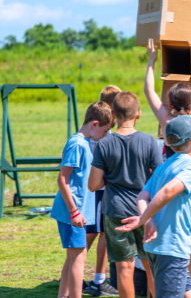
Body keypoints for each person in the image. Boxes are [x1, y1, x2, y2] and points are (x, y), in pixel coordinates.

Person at [142, 40, 191, 298]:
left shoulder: (167, 122)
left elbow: (149, 92)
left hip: (174, 189)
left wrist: (152, 62)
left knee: (177, 247)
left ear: (170, 102)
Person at [114, 116, 191, 298]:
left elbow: (142, 196)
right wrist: (144, 219)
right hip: (172, 248)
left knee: (185, 291)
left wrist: (148, 220)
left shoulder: (163, 166)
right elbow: (168, 191)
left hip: (156, 247)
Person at [89, 91, 164, 298]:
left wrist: (111, 178)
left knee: (124, 267)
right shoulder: (149, 142)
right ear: (138, 114)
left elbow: (93, 185)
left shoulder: (104, 144)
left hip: (115, 211)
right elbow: (159, 179)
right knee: (152, 266)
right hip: (145, 211)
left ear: (113, 114)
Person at [52, 102, 114, 298]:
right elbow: (62, 178)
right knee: (79, 257)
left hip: (78, 212)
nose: (105, 135)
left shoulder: (86, 142)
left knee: (73, 258)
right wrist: (74, 211)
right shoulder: (77, 144)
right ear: (94, 124)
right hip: (72, 212)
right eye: (104, 131)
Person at [81, 87, 121, 296]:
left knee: (102, 232)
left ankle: (97, 278)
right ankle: (81, 275)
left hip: (100, 190)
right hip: (97, 191)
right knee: (93, 233)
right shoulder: (102, 134)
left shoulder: (104, 131)